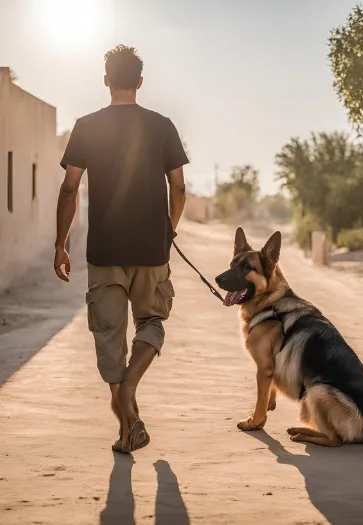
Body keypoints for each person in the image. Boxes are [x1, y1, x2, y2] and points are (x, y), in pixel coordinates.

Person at [54, 45, 188, 454]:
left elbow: (69, 187)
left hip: (105, 250)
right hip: (151, 249)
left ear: (107, 79)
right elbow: (178, 187)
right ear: (141, 82)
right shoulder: (162, 126)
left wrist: (60, 244)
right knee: (151, 322)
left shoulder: (87, 126)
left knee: (108, 336)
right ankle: (129, 410)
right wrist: (169, 230)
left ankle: (126, 411)